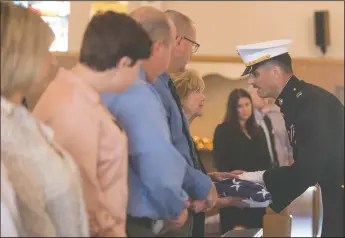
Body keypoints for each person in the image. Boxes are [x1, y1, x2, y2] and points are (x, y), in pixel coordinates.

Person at [33, 11, 152, 237]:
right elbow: (81, 196)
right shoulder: (74, 106)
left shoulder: (76, 92)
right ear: (124, 62)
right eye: (138, 67)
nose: (138, 75)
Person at [102, 7, 216, 237]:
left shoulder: (117, 80)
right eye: (169, 46)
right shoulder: (137, 90)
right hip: (137, 219)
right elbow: (156, 157)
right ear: (157, 47)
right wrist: (177, 202)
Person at [236, 39, 344, 237]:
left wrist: (257, 179)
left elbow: (308, 169)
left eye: (255, 74)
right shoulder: (298, 101)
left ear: (275, 71)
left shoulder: (311, 104)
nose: (251, 82)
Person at [1, 2, 89, 236]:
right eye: (45, 52)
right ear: (19, 58)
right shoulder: (5, 131)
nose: (53, 61)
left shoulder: (19, 117)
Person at [154, 10, 220, 237]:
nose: (192, 55)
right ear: (180, 41)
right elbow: (159, 150)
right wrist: (201, 186)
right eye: (194, 45)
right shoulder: (151, 84)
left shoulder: (162, 81)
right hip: (169, 210)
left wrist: (205, 179)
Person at [213, 88, 273, 233]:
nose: (245, 109)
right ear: (233, 109)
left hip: (257, 190)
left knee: (256, 230)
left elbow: (267, 161)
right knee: (236, 231)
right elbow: (221, 162)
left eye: (247, 105)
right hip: (235, 191)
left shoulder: (257, 130)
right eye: (240, 106)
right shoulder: (223, 130)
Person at [250, 89, 294, 166]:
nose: (263, 96)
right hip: (258, 172)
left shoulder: (281, 115)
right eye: (258, 92)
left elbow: (291, 149)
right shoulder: (247, 120)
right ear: (250, 96)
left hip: (281, 170)